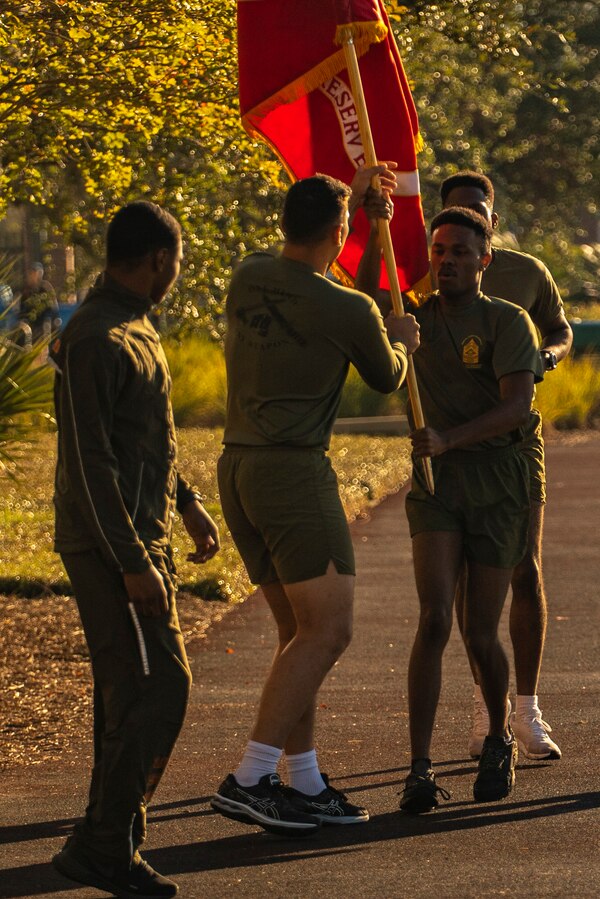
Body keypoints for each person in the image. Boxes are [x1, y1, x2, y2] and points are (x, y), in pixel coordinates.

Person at [211, 172, 420, 836]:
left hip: (237, 467)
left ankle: (301, 783)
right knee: (330, 631)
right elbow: (387, 374)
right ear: (340, 232)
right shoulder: (350, 308)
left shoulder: (247, 275)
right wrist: (404, 340)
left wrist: (352, 204)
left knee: (296, 634)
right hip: (293, 475)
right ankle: (249, 777)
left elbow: (315, 283)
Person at [50, 201, 220, 898]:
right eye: (175, 264)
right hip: (108, 546)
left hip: (144, 535)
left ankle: (109, 839)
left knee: (132, 691)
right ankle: (102, 843)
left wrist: (186, 504)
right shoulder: (95, 334)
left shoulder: (133, 325)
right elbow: (91, 462)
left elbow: (143, 435)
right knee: (159, 688)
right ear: (158, 260)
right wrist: (129, 562)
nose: (174, 275)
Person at [392, 207, 542, 812]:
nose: (447, 261)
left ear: (484, 259)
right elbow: (368, 293)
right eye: (438, 251)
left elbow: (517, 410)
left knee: (480, 631)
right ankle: (419, 768)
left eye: (459, 251)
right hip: (437, 484)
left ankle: (500, 736)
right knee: (433, 619)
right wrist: (367, 206)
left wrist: (452, 437)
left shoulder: (508, 321)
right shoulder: (413, 322)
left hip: (498, 482)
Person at [440, 172, 572, 761]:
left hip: (516, 442)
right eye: (455, 212)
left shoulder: (525, 273)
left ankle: (529, 706)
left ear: (493, 219)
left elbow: (562, 330)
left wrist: (549, 354)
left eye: (478, 211)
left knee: (524, 568)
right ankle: (485, 706)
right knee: (470, 583)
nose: (468, 218)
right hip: (454, 446)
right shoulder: (434, 267)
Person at [18, 261, 60, 342]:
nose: (32, 275)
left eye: (35, 272)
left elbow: (53, 307)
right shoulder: (27, 290)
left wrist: (52, 319)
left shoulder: (45, 287)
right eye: (31, 273)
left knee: (45, 329)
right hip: (31, 324)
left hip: (44, 321)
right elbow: (22, 308)